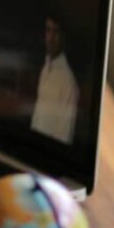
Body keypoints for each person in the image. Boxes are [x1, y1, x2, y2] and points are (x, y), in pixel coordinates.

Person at [31, 14, 79, 143]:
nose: (51, 38)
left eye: (56, 31)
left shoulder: (69, 83)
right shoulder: (45, 68)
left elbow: (64, 136)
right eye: (48, 30)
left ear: (63, 36)